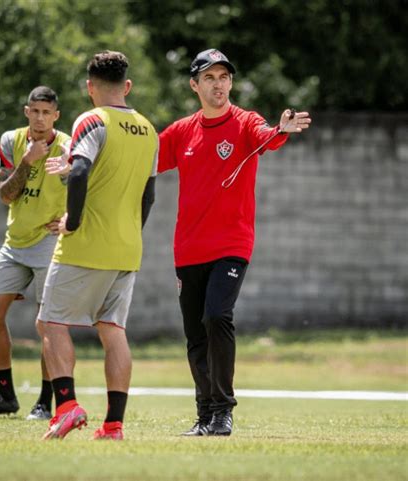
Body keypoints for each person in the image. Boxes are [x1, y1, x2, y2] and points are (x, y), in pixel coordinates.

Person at [158, 49, 311, 436]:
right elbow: (144, 160)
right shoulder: (181, 132)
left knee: (216, 317)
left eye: (224, 77)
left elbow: (266, 137)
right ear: (195, 85)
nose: (218, 84)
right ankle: (205, 413)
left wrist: (282, 130)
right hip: (188, 248)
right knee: (195, 334)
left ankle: (223, 411)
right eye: (209, 78)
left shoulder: (245, 122)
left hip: (232, 244)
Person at [37, 50, 158, 441]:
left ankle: (67, 407)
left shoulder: (91, 119)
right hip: (128, 248)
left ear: (90, 87)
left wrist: (73, 219)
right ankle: (113, 425)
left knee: (50, 322)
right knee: (113, 330)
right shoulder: (149, 129)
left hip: (86, 244)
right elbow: (149, 195)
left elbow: (83, 170)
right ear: (127, 86)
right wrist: (131, 232)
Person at [0, 86, 71, 420]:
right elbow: (5, 195)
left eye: (47, 112)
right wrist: (27, 162)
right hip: (15, 243)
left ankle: (45, 401)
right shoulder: (12, 141)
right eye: (35, 111)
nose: (40, 118)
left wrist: (72, 218)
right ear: (26, 111)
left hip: (48, 241)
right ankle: (6, 395)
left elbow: (88, 185)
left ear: (56, 115)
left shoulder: (68, 146)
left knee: (47, 325)